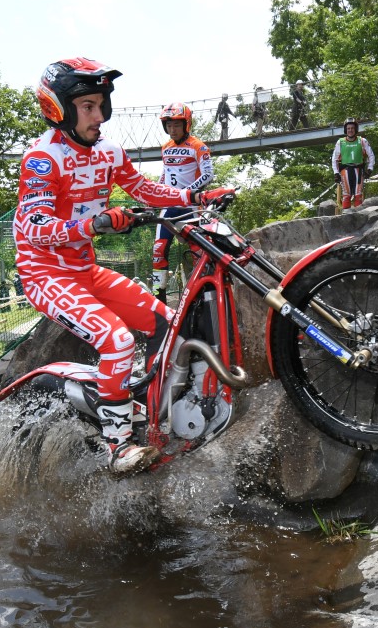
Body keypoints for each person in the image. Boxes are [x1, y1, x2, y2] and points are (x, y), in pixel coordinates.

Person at [16, 57, 233, 474]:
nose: (100, 116)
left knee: (170, 323)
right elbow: (34, 226)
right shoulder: (41, 160)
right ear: (57, 108)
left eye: (102, 105)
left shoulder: (109, 153)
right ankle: (117, 448)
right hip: (44, 273)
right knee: (116, 341)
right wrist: (94, 223)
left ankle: (155, 409)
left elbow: (147, 189)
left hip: (84, 271)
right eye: (88, 107)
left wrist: (197, 198)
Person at [152, 102, 215, 303]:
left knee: (198, 250)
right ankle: (158, 297)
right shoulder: (165, 148)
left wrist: (187, 193)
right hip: (169, 206)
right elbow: (166, 173)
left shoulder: (199, 146)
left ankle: (202, 294)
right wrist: (155, 190)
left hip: (191, 207)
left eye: (176, 125)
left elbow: (208, 174)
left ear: (186, 124)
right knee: (158, 249)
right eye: (168, 126)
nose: (172, 130)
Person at [331, 118, 376, 213]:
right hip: (345, 171)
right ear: (345, 130)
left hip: (359, 171)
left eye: (352, 128)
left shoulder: (362, 141)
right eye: (348, 128)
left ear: (355, 129)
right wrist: (336, 173)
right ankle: (345, 218)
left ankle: (358, 217)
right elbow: (334, 159)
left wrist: (370, 169)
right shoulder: (340, 142)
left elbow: (371, 155)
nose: (350, 130)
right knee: (346, 195)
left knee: (358, 195)